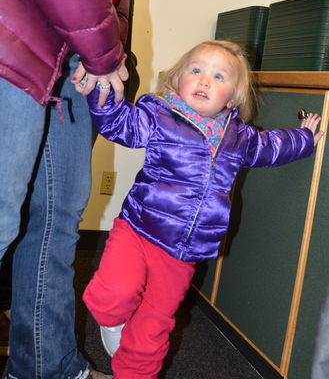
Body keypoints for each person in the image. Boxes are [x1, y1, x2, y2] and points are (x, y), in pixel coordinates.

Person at [0, 0, 264, 378]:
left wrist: (104, 57)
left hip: (70, 58)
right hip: (13, 34)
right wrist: (104, 56)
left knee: (57, 222)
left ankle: (46, 367)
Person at [83, 40, 323, 379]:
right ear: (180, 79)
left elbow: (271, 146)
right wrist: (105, 93)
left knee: (154, 327)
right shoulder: (159, 115)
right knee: (112, 294)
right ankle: (114, 320)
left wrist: (303, 139)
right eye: (196, 70)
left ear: (234, 96)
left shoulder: (238, 136)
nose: (204, 80)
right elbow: (117, 124)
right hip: (138, 230)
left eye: (218, 76)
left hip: (184, 252)